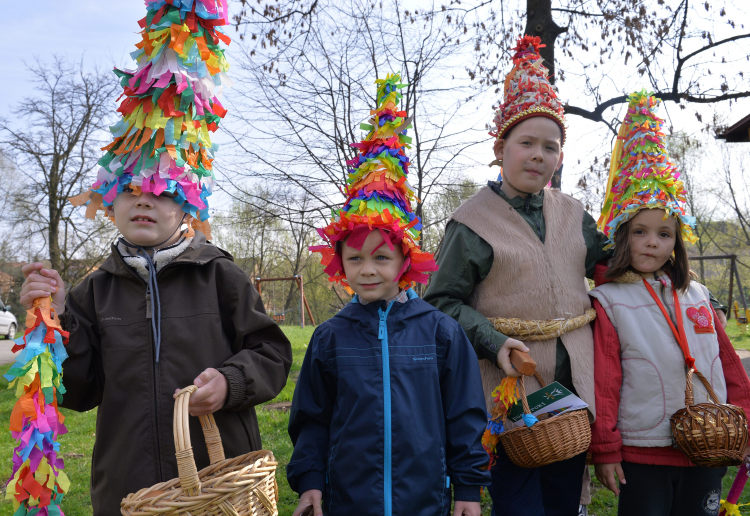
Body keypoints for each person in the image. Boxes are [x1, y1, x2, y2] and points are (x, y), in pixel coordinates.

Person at [18, 1, 292, 507]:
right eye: (130, 189)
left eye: (164, 189)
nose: (145, 198)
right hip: (130, 489)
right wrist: (54, 323)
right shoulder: (92, 291)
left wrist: (230, 383)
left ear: (188, 203)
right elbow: (78, 393)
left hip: (217, 483)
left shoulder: (219, 275)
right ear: (110, 200)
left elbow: (272, 355)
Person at [287, 74, 490, 516]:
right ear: (340, 262)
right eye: (355, 259)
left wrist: (469, 490)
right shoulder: (329, 338)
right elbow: (312, 420)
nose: (368, 270)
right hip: (348, 500)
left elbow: (464, 415)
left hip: (426, 501)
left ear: (405, 261)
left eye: (381, 258)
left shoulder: (441, 332)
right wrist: (309, 481)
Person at [424, 35, 611, 516]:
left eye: (550, 147)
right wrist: (493, 341)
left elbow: (611, 267)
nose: (537, 155)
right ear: (500, 147)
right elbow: (441, 301)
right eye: (525, 142)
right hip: (509, 383)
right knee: (519, 496)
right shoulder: (472, 222)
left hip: (573, 386)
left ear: (560, 159)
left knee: (565, 495)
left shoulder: (574, 214)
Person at [588, 91, 750, 516]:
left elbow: (727, 362)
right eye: (640, 231)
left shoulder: (696, 294)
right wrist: (605, 447)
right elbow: (606, 380)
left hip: (709, 445)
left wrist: (745, 418)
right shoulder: (608, 300)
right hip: (644, 450)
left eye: (664, 233)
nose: (652, 242)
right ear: (622, 236)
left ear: (676, 240)